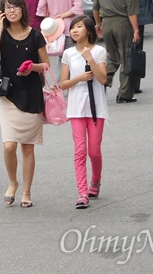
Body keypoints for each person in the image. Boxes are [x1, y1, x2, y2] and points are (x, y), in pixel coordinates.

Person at [0, 0, 50, 208]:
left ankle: (26, 191)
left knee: (28, 148)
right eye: (8, 7)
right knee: (9, 146)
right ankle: (12, 182)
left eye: (16, 7)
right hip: (8, 95)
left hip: (31, 94)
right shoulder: (1, 35)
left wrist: (32, 67)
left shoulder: (35, 35)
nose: (12, 10)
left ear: (23, 10)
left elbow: (46, 65)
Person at [60, 16, 109, 209]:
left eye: (78, 27)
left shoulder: (99, 51)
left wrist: (91, 60)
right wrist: (79, 78)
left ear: (88, 30)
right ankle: (82, 193)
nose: (74, 31)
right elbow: (63, 84)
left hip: (96, 107)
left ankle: (95, 181)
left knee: (94, 151)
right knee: (80, 151)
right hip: (76, 108)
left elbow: (103, 79)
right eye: (72, 28)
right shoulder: (68, 54)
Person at [92, 0, 140, 103]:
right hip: (122, 23)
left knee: (112, 58)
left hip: (106, 22)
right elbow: (132, 12)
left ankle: (100, 84)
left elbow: (95, 7)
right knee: (126, 57)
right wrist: (136, 30)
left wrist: (98, 24)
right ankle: (124, 94)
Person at [36, 0, 83, 77]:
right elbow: (78, 7)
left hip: (53, 29)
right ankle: (61, 84)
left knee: (62, 58)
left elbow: (40, 8)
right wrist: (65, 14)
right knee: (69, 57)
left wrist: (49, 17)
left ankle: (60, 84)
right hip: (68, 28)